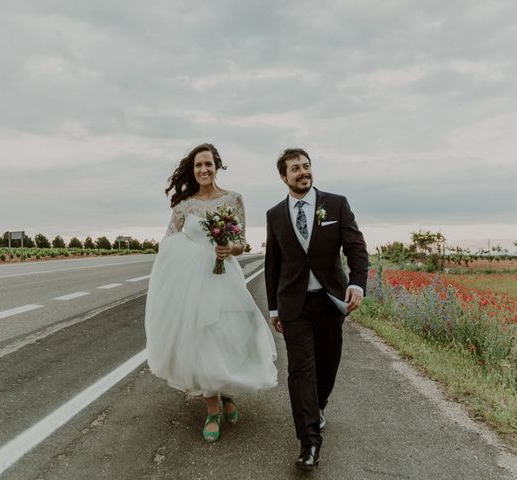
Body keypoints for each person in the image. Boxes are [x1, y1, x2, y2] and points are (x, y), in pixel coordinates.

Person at [145, 143, 277, 442]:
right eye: (197, 166)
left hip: (226, 278)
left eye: (208, 164)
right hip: (194, 285)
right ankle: (213, 410)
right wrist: (187, 257)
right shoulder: (183, 206)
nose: (203, 170)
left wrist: (229, 248)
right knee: (202, 341)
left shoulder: (233, 199)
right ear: (193, 171)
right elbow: (167, 243)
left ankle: (228, 391)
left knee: (231, 336)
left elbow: (243, 242)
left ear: (217, 165)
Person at [264, 148, 368, 470]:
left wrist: (357, 282)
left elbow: (356, 248)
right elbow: (273, 264)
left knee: (327, 365)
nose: (303, 172)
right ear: (284, 176)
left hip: (329, 301)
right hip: (293, 305)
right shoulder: (275, 215)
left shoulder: (336, 204)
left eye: (306, 166)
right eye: (295, 168)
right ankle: (309, 443)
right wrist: (273, 309)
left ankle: (318, 405)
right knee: (300, 371)